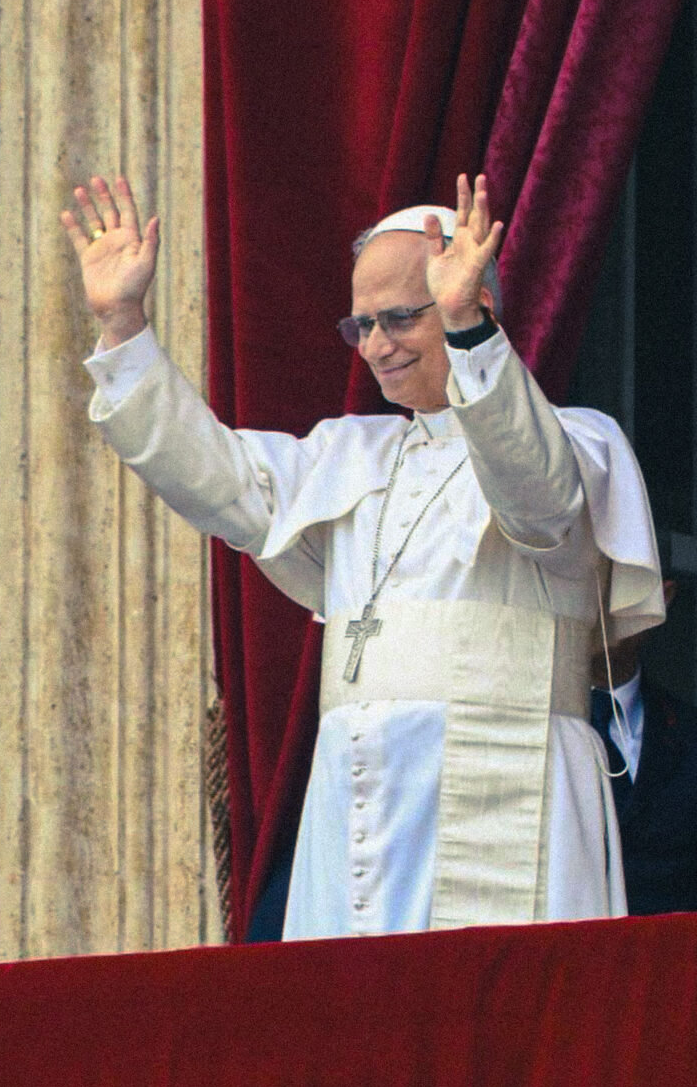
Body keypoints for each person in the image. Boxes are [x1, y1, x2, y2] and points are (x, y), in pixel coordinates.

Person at [62, 172, 664, 938]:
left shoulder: (579, 442)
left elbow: (537, 500)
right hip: (358, 804)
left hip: (510, 794)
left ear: (471, 300)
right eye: (360, 326)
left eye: (400, 319)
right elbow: (213, 478)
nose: (376, 347)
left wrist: (469, 334)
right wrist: (123, 329)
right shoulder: (346, 454)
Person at [591, 582, 697, 914]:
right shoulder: (527, 731)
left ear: (661, 597)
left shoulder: (688, 731)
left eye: (616, 581)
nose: (599, 601)